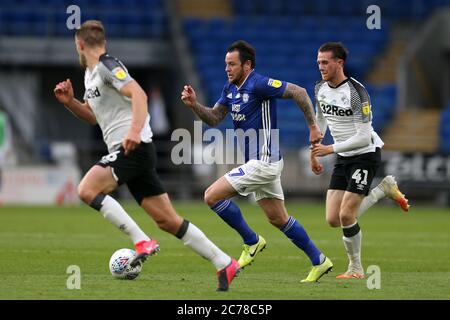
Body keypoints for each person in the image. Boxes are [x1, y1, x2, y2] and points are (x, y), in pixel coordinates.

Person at [53, 20, 239, 291]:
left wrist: (134, 130)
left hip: (134, 147)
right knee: (167, 220)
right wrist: (71, 103)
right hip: (131, 151)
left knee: (86, 189)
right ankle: (224, 262)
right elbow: (95, 117)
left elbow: (138, 94)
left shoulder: (108, 65)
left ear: (80, 45)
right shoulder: (90, 75)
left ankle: (141, 240)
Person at [181, 40, 333, 283]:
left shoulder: (259, 84)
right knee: (278, 219)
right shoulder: (229, 89)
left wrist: (314, 126)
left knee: (211, 195)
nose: (227, 69)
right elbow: (214, 118)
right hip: (259, 163)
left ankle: (251, 241)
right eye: (225, 64)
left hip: (265, 161)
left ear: (247, 65)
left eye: (232, 64)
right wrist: (194, 105)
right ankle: (319, 260)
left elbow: (299, 92)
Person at [310, 42, 409, 279]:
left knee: (346, 215)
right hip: (343, 157)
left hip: (365, 154)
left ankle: (356, 268)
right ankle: (382, 189)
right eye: (319, 62)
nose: (321, 67)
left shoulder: (356, 92)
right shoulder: (319, 88)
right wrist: (314, 151)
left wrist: (330, 148)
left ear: (339, 63)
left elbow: (364, 136)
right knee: (333, 219)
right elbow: (320, 119)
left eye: (325, 62)